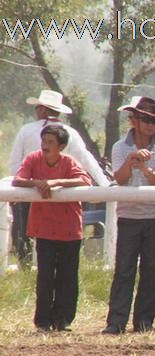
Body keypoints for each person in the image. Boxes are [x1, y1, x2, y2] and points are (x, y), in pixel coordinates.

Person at [7, 89, 109, 267]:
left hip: (29, 191)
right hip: (62, 197)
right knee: (62, 238)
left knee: (25, 232)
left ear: (42, 109)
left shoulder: (26, 131)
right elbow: (87, 160)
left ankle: (26, 267)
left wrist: (16, 193)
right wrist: (105, 185)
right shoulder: (70, 133)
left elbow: (15, 165)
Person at [102, 97, 155, 335]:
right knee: (124, 269)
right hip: (129, 215)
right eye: (146, 119)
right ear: (135, 121)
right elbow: (119, 179)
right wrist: (132, 162)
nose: (151, 125)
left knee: (151, 271)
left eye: (154, 120)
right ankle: (116, 322)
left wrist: (145, 169)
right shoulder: (120, 147)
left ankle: (144, 322)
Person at [12, 125, 92, 331]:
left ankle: (63, 319)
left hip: (69, 229)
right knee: (45, 275)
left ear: (61, 146)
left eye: (50, 143)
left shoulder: (69, 162)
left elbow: (85, 180)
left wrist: (56, 181)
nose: (45, 146)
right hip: (44, 228)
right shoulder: (33, 159)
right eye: (44, 141)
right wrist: (37, 183)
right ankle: (43, 321)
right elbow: (18, 179)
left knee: (67, 276)